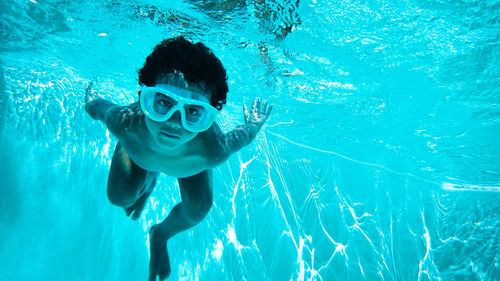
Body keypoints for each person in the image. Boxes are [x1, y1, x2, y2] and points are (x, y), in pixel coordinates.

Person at [84, 36, 272, 280]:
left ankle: (160, 236)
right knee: (119, 197)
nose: (173, 122)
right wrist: (90, 100)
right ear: (145, 97)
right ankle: (147, 181)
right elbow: (98, 108)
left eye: (193, 111)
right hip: (139, 151)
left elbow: (245, 136)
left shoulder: (211, 150)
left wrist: (253, 126)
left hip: (188, 165)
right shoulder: (125, 125)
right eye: (163, 102)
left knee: (198, 209)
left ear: (208, 117)